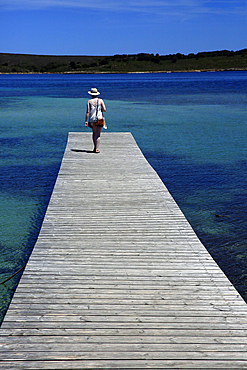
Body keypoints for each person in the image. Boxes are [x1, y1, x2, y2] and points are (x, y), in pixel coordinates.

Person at [85, 87, 106, 153]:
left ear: (91, 94)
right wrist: (100, 110)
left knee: (94, 133)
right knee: (98, 134)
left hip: (92, 119)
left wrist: (86, 120)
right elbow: (104, 109)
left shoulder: (89, 101)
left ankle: (94, 147)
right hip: (99, 118)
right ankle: (96, 148)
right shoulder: (101, 100)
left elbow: (88, 112)